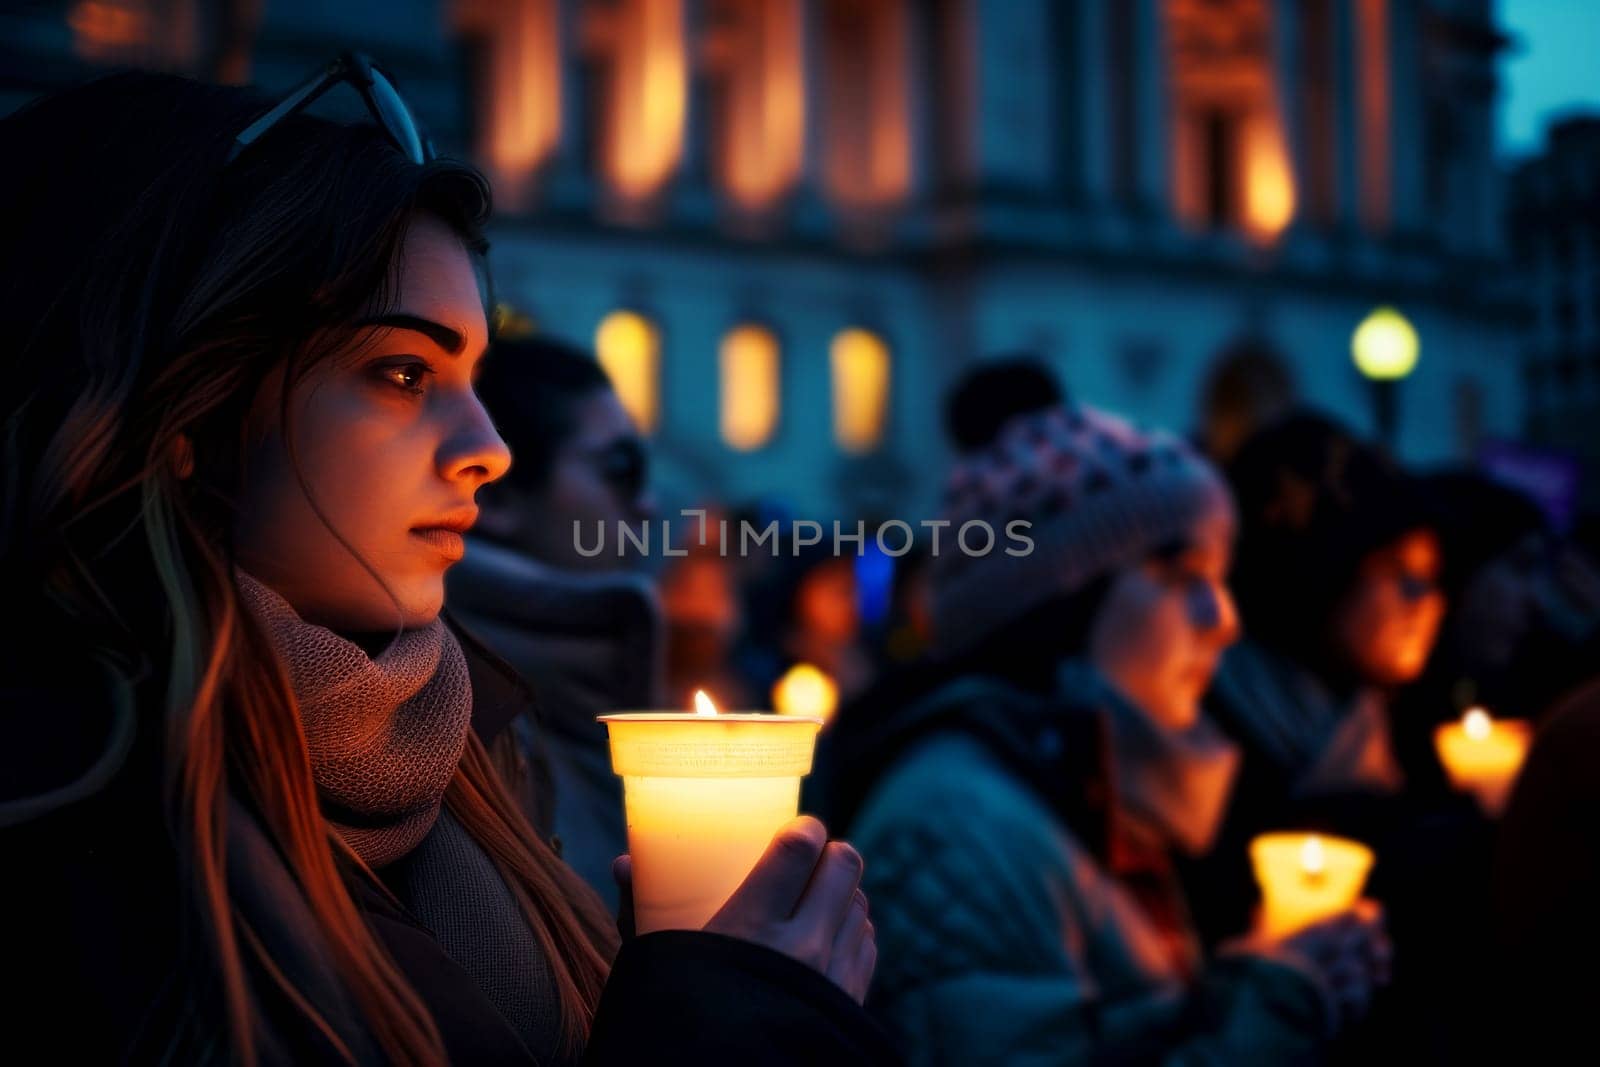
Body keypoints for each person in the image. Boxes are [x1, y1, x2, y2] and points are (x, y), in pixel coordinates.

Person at [0, 65, 888, 1064]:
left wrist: (693, 985)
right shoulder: (73, 841)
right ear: (189, 409)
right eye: (403, 371)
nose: (487, 446)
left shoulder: (479, 765)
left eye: (471, 374)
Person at [816, 402, 1388, 1065]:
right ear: (1060, 604)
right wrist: (1274, 1011)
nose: (1223, 620)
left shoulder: (1081, 788)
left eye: (1221, 580)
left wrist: (1248, 985)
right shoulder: (957, 828)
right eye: (1181, 577)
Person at [448, 336, 664, 908]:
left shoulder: (570, 707)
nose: (649, 505)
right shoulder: (463, 744)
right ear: (494, 497)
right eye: (621, 469)